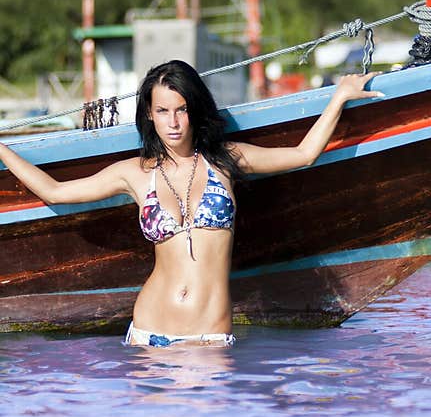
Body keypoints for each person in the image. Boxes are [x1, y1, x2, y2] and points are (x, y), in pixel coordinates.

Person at [0, 60, 382, 347]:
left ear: (195, 111)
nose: (173, 122)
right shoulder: (133, 173)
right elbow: (54, 191)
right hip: (148, 334)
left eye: (181, 109)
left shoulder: (226, 160)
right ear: (149, 115)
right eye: (162, 111)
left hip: (208, 337)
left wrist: (340, 96)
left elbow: (303, 154)